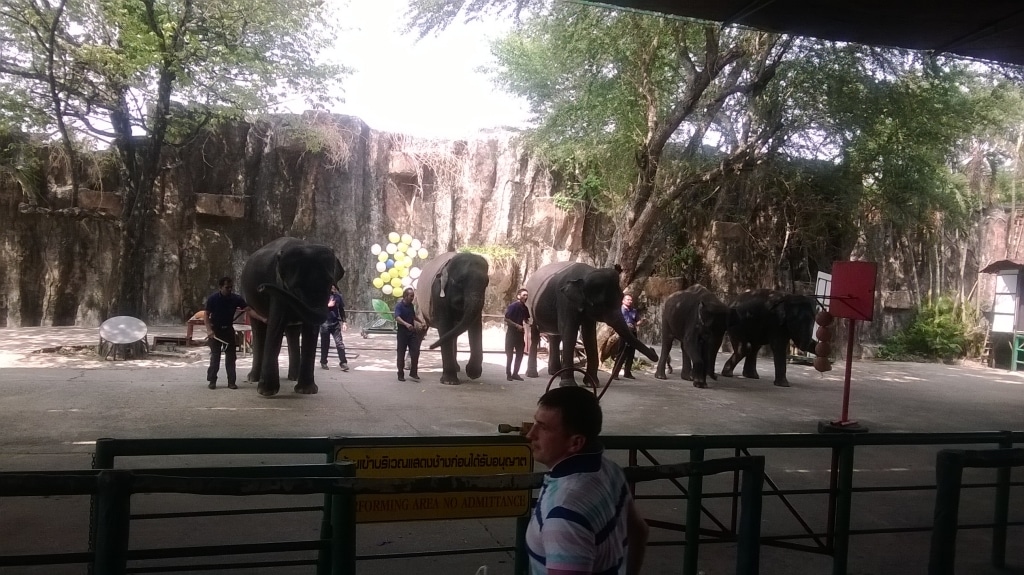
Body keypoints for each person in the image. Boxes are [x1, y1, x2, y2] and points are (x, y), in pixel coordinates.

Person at [524, 386, 649, 575]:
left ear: (575, 443)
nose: (530, 435)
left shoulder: (563, 514)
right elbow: (639, 532)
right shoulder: (609, 469)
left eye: (543, 428)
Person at [204, 277, 250, 390]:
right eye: (227, 287)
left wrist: (263, 318)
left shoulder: (236, 299)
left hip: (228, 330)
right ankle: (212, 381)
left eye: (231, 287)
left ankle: (231, 382)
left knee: (231, 357)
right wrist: (209, 330)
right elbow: (206, 315)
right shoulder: (213, 299)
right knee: (215, 357)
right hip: (216, 331)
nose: (229, 289)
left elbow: (248, 310)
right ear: (220, 287)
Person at [394, 287, 422, 382]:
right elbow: (397, 317)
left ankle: (413, 372)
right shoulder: (399, 306)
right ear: (405, 296)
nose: (413, 298)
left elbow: (413, 316)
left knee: (416, 351)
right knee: (401, 353)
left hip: (412, 333)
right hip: (402, 333)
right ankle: (400, 373)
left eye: (413, 296)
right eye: (411, 296)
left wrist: (421, 322)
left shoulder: (411, 306)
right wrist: (406, 324)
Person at [320, 284, 349, 371]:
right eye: (331, 287)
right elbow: (318, 308)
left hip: (335, 323)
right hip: (324, 323)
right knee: (325, 344)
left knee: (339, 343)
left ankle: (343, 363)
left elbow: (341, 310)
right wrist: (327, 305)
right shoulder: (322, 296)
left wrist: (344, 322)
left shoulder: (338, 297)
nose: (333, 288)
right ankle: (323, 361)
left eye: (334, 287)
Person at [504, 288, 530, 381]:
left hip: (520, 334)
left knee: (520, 354)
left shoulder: (525, 308)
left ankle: (515, 373)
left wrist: (529, 323)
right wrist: (516, 325)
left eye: (527, 295)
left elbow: (526, 319)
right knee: (510, 355)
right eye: (524, 295)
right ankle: (508, 374)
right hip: (511, 333)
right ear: (518, 296)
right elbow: (506, 319)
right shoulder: (513, 306)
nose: (525, 297)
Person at [616, 293, 643, 379]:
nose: (630, 301)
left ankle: (627, 372)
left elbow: (637, 322)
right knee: (621, 353)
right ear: (623, 301)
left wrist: (641, 322)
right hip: (624, 333)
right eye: (628, 299)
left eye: (631, 300)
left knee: (631, 353)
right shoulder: (619, 310)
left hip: (633, 333)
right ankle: (615, 373)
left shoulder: (634, 311)